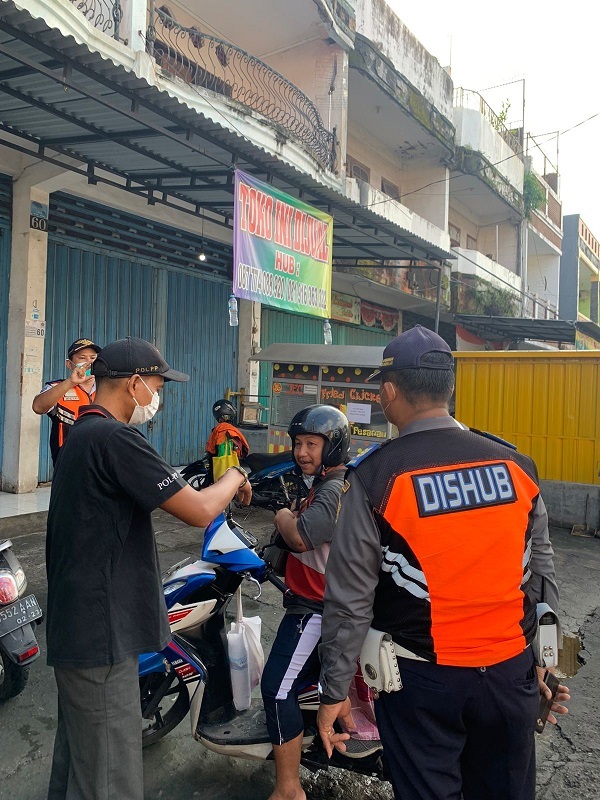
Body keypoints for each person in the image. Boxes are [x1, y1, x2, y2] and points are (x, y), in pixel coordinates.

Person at [316, 325, 570, 800]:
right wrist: (549, 665)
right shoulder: (518, 467)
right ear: (449, 388)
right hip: (511, 676)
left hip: (422, 685)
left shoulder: (375, 478)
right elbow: (542, 576)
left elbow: (349, 603)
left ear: (390, 391)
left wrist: (333, 693)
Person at [45, 336, 251, 800]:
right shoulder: (115, 437)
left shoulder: (84, 431)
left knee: (81, 764)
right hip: (101, 637)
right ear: (135, 384)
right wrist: (236, 474)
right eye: (158, 385)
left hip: (80, 628)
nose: (158, 397)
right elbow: (198, 509)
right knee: (111, 777)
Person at [261, 405, 349, 800]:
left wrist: (282, 517)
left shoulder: (333, 488)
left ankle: (288, 788)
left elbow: (301, 537)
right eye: (298, 443)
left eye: (312, 444)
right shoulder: (321, 482)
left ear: (333, 446)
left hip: (315, 609)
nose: (301, 452)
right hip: (308, 603)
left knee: (278, 689)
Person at [32, 338, 101, 465]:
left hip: (100, 463)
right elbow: (38, 407)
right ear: (69, 364)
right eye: (82, 358)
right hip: (68, 464)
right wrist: (71, 382)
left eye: (93, 358)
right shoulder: (57, 388)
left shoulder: (107, 389)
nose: (89, 362)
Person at [205, 399, 250, 481]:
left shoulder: (219, 429)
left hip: (221, 465)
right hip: (234, 463)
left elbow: (211, 449)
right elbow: (243, 449)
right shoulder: (232, 429)